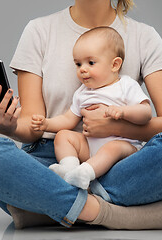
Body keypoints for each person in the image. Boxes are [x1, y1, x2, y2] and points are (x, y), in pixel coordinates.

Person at [0, 0, 162, 230]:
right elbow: (34, 125)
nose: (83, 70)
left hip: (119, 163)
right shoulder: (39, 31)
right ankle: (109, 213)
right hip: (53, 161)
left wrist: (116, 126)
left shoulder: (144, 36)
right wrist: (9, 127)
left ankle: (50, 208)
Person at [31, 26, 152, 190]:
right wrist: (47, 124)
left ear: (115, 65)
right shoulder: (82, 93)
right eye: (78, 64)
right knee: (63, 135)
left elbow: (146, 113)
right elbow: (68, 119)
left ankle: (85, 173)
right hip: (90, 150)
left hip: (125, 150)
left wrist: (123, 112)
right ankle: (70, 169)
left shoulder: (125, 85)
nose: (82, 69)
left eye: (91, 62)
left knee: (113, 147)